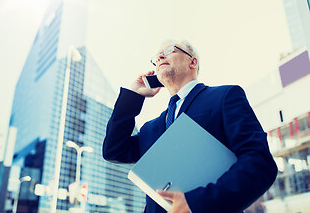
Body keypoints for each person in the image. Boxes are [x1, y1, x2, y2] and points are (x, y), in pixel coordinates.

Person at [103, 40, 278, 213]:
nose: (160, 56)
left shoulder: (224, 97)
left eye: (169, 50)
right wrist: (133, 96)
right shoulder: (150, 129)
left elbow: (259, 163)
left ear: (192, 61)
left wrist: (196, 203)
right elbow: (113, 150)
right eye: (156, 58)